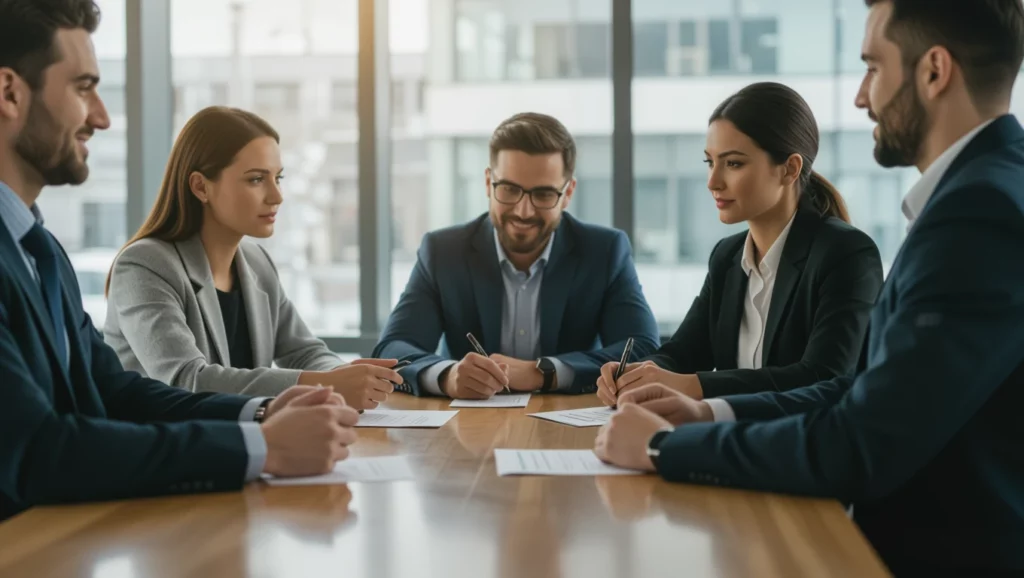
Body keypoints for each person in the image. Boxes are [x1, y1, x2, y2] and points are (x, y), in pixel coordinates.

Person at [594, 1, 1024, 575]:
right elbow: (860, 391)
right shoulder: (984, 193)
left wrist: (662, 448)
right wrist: (707, 413)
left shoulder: (978, 211)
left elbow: (862, 442)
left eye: (873, 67)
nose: (861, 96)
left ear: (934, 71)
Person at [0, 0, 358, 520]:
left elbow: (111, 390)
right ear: (9, 92)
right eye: (83, 88)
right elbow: (37, 449)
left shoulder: (40, 250)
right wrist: (264, 448)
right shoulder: (134, 262)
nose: (100, 116)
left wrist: (262, 411)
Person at [596, 82, 883, 406]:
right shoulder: (728, 257)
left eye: (733, 163)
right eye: (710, 162)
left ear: (789, 169)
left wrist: (692, 386)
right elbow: (682, 355)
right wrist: (640, 374)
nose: (713, 182)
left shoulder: (846, 254)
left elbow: (823, 376)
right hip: (728, 443)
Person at [103, 106, 400, 410]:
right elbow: (186, 381)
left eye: (278, 178)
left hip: (240, 445)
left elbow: (304, 352)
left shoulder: (256, 262)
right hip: (166, 450)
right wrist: (325, 384)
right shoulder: (144, 265)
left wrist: (341, 373)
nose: (277, 196)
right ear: (200, 186)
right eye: (256, 179)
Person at [373, 113, 660, 398]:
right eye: (509, 189)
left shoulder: (604, 251)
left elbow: (642, 349)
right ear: (488, 183)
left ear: (568, 192)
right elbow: (394, 348)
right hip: (467, 428)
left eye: (544, 194)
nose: (524, 212)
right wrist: (447, 376)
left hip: (568, 429)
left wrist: (543, 373)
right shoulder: (443, 252)